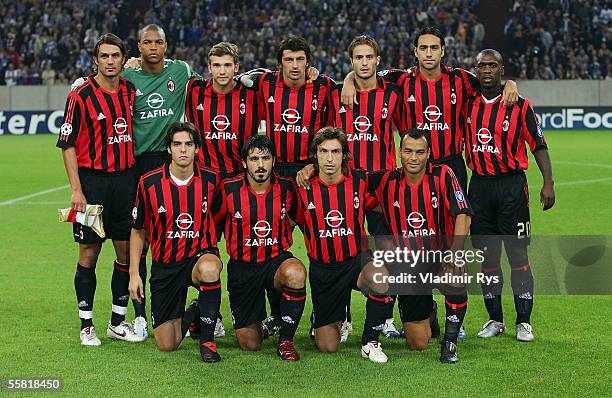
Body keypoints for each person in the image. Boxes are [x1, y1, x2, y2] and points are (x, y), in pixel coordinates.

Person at [342, 26, 518, 338]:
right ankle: (405, 312)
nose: (428, 53)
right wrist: (346, 80)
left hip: (450, 165)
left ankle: (455, 318)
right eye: (423, 48)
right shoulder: (401, 79)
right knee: (403, 245)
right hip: (414, 168)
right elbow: (364, 71)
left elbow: (491, 83)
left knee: (450, 246)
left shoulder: (461, 79)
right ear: (415, 51)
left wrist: (510, 84)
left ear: (442, 51)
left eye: (433, 47)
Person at [296, 34, 404, 340]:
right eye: (358, 58)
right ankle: (339, 315)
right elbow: (323, 135)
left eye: (369, 57)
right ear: (351, 60)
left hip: (381, 182)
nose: (364, 62)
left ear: (378, 60)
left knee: (387, 252)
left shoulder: (393, 91)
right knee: (338, 245)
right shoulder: (334, 93)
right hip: (346, 182)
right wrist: (346, 81)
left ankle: (387, 317)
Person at [57, 33, 144, 346]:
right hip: (92, 185)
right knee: (89, 253)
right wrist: (76, 190)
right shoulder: (80, 95)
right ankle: (86, 325)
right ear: (95, 60)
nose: (110, 61)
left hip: (125, 182)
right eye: (104, 56)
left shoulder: (130, 91)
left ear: (123, 59)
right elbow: (66, 145)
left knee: (124, 252)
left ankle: (117, 323)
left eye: (115, 56)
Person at [464, 49, 555, 342]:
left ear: (502, 70)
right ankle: (495, 320)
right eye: (481, 65)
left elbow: (538, 145)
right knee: (487, 258)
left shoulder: (520, 105)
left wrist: (548, 183)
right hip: (478, 188)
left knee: (517, 255)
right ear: (475, 70)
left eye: (493, 65)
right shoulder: (466, 104)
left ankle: (524, 322)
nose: (487, 70)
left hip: (511, 188)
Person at [368, 129, 473, 363]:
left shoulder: (443, 174)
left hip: (440, 257)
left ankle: (450, 343)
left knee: (455, 276)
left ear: (428, 154)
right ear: (400, 153)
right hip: (410, 265)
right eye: (408, 151)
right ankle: (430, 313)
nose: (413, 158)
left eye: (419, 152)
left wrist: (455, 255)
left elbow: (463, 214)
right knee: (418, 343)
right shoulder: (386, 181)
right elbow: (352, 187)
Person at [294, 127, 392, 363]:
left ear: (345, 155)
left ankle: (370, 342)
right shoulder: (302, 188)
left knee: (380, 277)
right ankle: (333, 315)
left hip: (356, 261)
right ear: (315, 155)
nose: (329, 158)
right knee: (328, 346)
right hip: (324, 270)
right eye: (323, 151)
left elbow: (385, 201)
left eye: (336, 152)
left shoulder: (359, 181)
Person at [128, 122, 224, 362]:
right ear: (169, 149)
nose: (183, 150)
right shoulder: (148, 182)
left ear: (197, 149)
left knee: (210, 268)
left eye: (189, 144)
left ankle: (208, 342)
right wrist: (133, 273)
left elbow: (220, 215)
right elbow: (138, 230)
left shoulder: (211, 180)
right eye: (177, 144)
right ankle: (196, 311)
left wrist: (212, 248)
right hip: (165, 265)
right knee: (167, 344)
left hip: (197, 258)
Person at [214, 135, 307, 360]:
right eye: (254, 159)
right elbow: (213, 224)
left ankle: (286, 341)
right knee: (250, 344)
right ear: (245, 162)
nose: (261, 164)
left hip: (275, 261)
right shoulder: (228, 188)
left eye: (266, 158)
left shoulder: (287, 187)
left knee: (295, 273)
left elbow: (297, 217)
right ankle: (200, 309)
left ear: (274, 161)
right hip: (243, 268)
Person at [185, 42, 264, 179]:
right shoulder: (194, 89)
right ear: (209, 67)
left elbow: (274, 77)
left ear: (236, 67)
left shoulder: (252, 94)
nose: (222, 71)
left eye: (227, 65)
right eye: (216, 65)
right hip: (204, 176)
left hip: (241, 176)